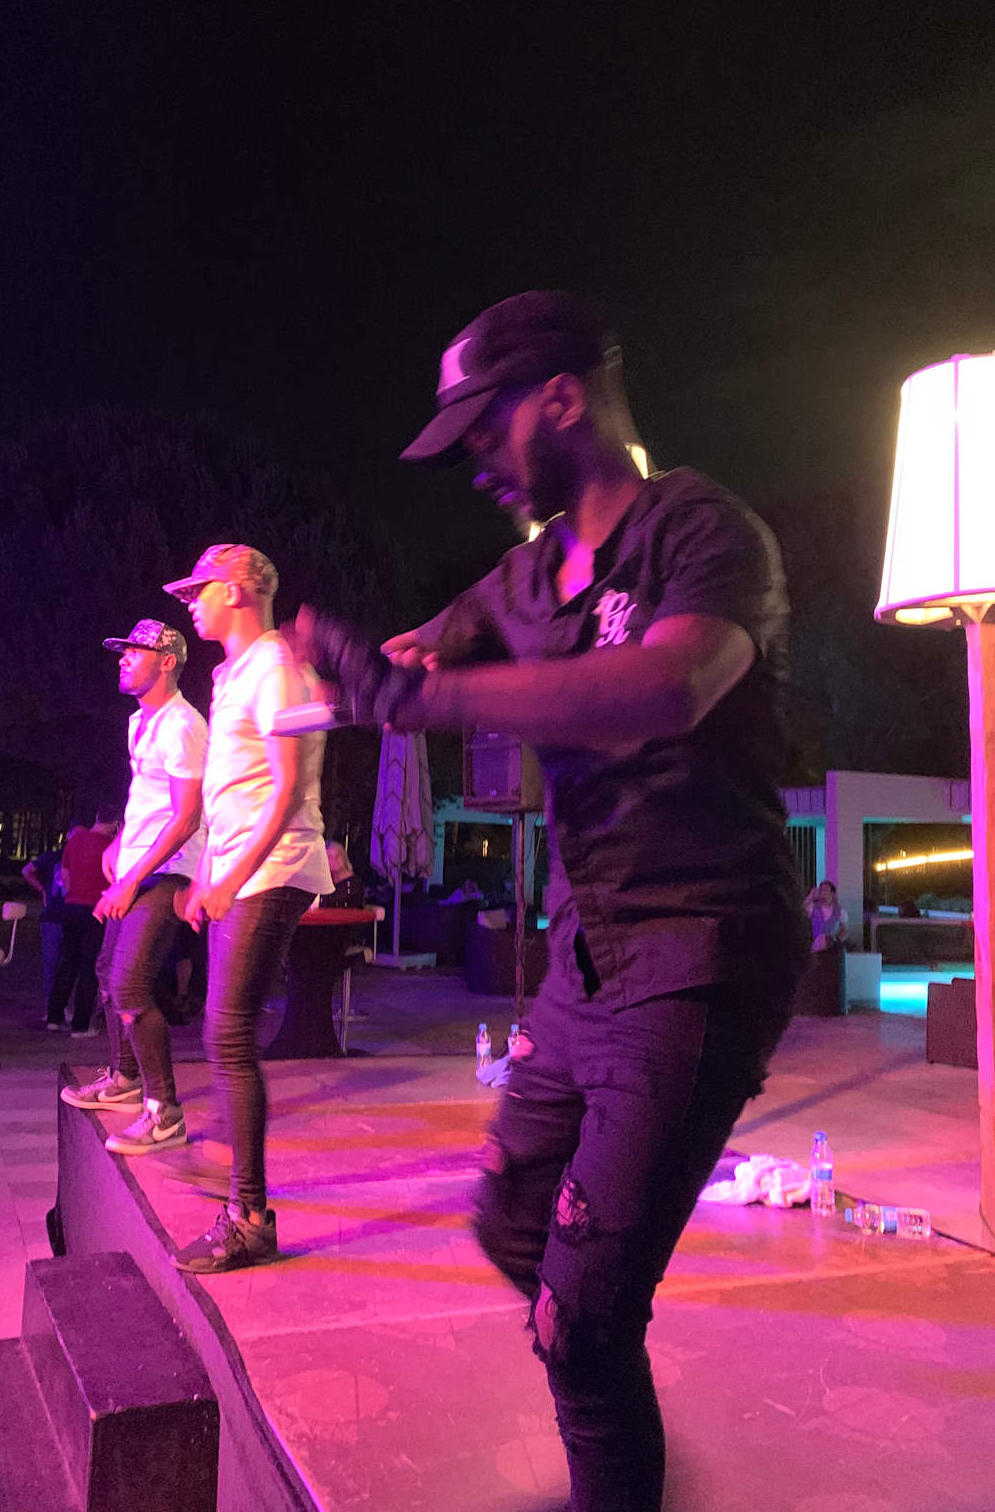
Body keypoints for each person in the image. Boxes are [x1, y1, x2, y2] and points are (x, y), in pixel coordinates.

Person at [295, 290, 808, 1512]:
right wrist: (372, 660)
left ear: (563, 400)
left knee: (580, 1324)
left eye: (486, 428)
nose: (475, 460)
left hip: (702, 951)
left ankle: (600, 1395)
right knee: (513, 1226)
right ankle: (606, 1387)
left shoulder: (705, 532)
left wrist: (422, 700)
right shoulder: (521, 579)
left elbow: (668, 687)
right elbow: (429, 647)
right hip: (587, 957)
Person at [165, 543, 332, 1273]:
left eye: (197, 590)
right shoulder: (233, 674)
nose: (190, 603)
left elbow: (289, 787)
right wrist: (208, 875)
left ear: (234, 590)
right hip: (243, 870)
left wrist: (231, 879)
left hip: (274, 868)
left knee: (228, 1034)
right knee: (222, 1032)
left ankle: (249, 1218)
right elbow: (231, 793)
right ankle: (233, 1180)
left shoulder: (274, 668)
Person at [59, 620, 206, 1157]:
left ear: (166, 662)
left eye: (133, 652)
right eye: (121, 652)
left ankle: (165, 1113)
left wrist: (133, 879)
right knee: (106, 972)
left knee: (130, 985)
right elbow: (149, 800)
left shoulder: (183, 725)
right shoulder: (139, 722)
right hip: (138, 866)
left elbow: (187, 817)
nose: (122, 659)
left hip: (168, 872)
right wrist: (119, 843)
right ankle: (124, 1079)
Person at [47, 805, 122, 1034]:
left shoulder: (75, 841)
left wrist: (74, 894)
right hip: (96, 910)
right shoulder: (111, 846)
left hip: (72, 906)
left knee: (67, 963)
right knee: (89, 967)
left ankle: (54, 1017)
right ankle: (80, 1025)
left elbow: (65, 875)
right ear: (116, 823)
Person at [24, 830, 78, 1021]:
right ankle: (52, 1007)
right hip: (52, 916)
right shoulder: (53, 857)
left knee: (68, 964)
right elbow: (27, 870)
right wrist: (42, 890)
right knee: (51, 963)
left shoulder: (82, 856)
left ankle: (63, 1005)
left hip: (73, 915)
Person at [805, 879, 848, 950]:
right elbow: (800, 913)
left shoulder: (840, 911)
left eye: (825, 890)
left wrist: (836, 941)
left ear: (832, 893)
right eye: (821, 890)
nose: (822, 892)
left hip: (831, 949)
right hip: (813, 947)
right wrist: (810, 896)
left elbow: (845, 931)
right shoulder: (812, 907)